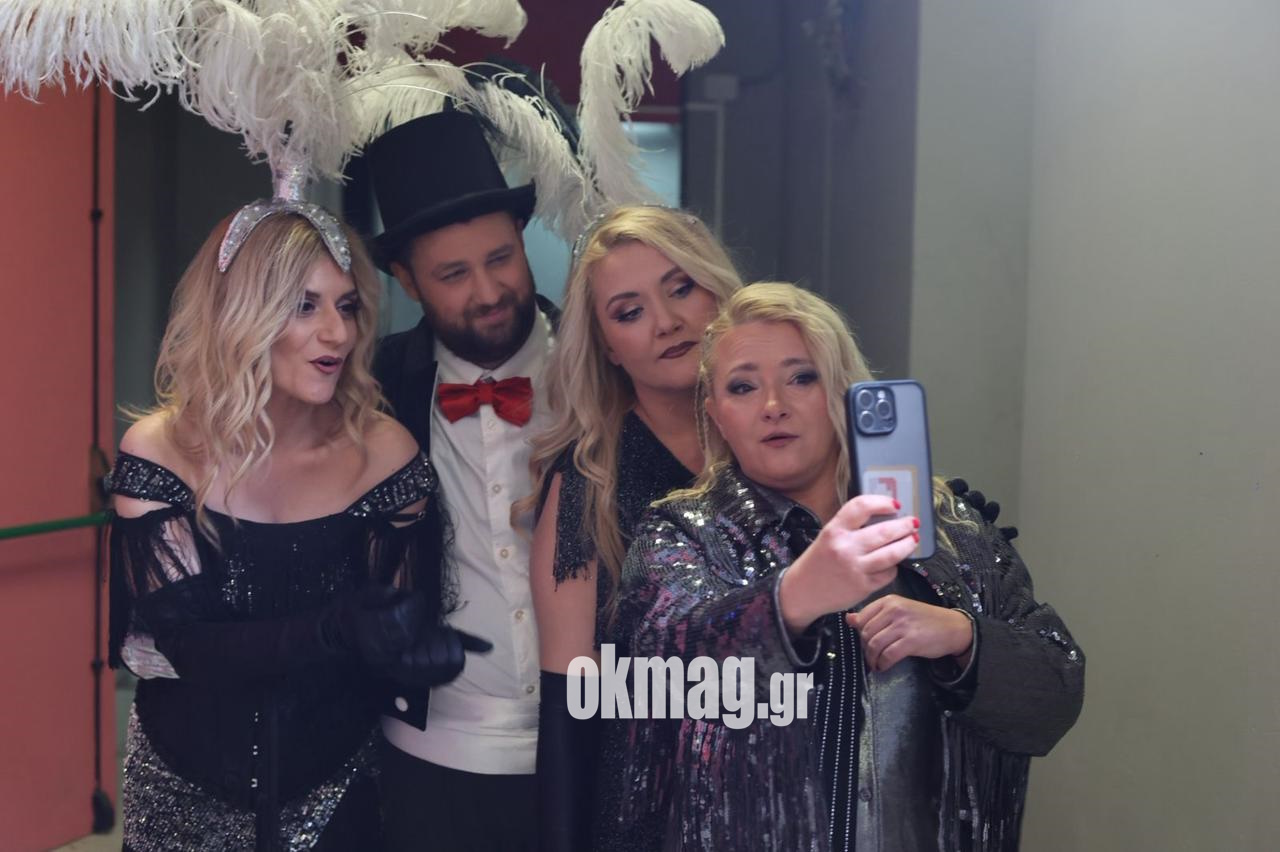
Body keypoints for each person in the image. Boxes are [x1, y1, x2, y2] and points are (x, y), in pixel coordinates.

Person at [602, 283, 1085, 851]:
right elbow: (656, 683)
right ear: (717, 416)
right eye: (743, 387)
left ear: (844, 393)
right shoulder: (681, 534)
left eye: (801, 377)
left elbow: (1053, 699)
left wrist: (964, 638)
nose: (773, 405)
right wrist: (791, 599)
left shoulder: (951, 528)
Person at [107, 206, 480, 852]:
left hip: (337, 791)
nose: (337, 332)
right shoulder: (160, 454)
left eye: (347, 306)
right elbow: (189, 647)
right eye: (304, 306)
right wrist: (334, 629)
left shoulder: (384, 456)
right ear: (240, 314)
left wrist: (414, 646)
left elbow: (391, 628)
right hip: (180, 796)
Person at [519, 205, 744, 851]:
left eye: (681, 288)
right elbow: (569, 707)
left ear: (718, 292)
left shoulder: (790, 439)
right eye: (629, 311)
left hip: (798, 792)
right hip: (651, 812)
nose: (667, 322)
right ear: (607, 346)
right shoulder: (587, 483)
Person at [366, 110, 554, 852]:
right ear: (407, 281)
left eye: (501, 258)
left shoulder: (605, 367)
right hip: (428, 760)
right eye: (453, 274)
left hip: (595, 741)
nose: (488, 290)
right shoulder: (371, 390)